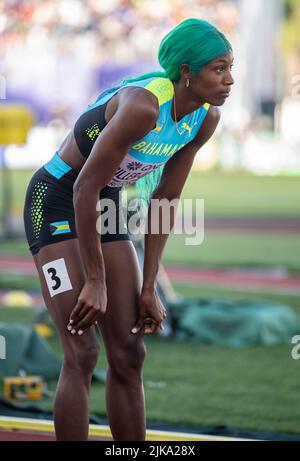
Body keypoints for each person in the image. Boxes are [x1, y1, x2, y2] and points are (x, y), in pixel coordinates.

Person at [23, 18, 234, 441]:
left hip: (105, 204)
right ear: (186, 73)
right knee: (82, 351)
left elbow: (165, 201)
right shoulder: (142, 106)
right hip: (57, 199)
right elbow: (83, 186)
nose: (230, 80)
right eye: (218, 69)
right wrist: (95, 280)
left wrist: (149, 284)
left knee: (129, 352)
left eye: (230, 67)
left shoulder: (203, 120)